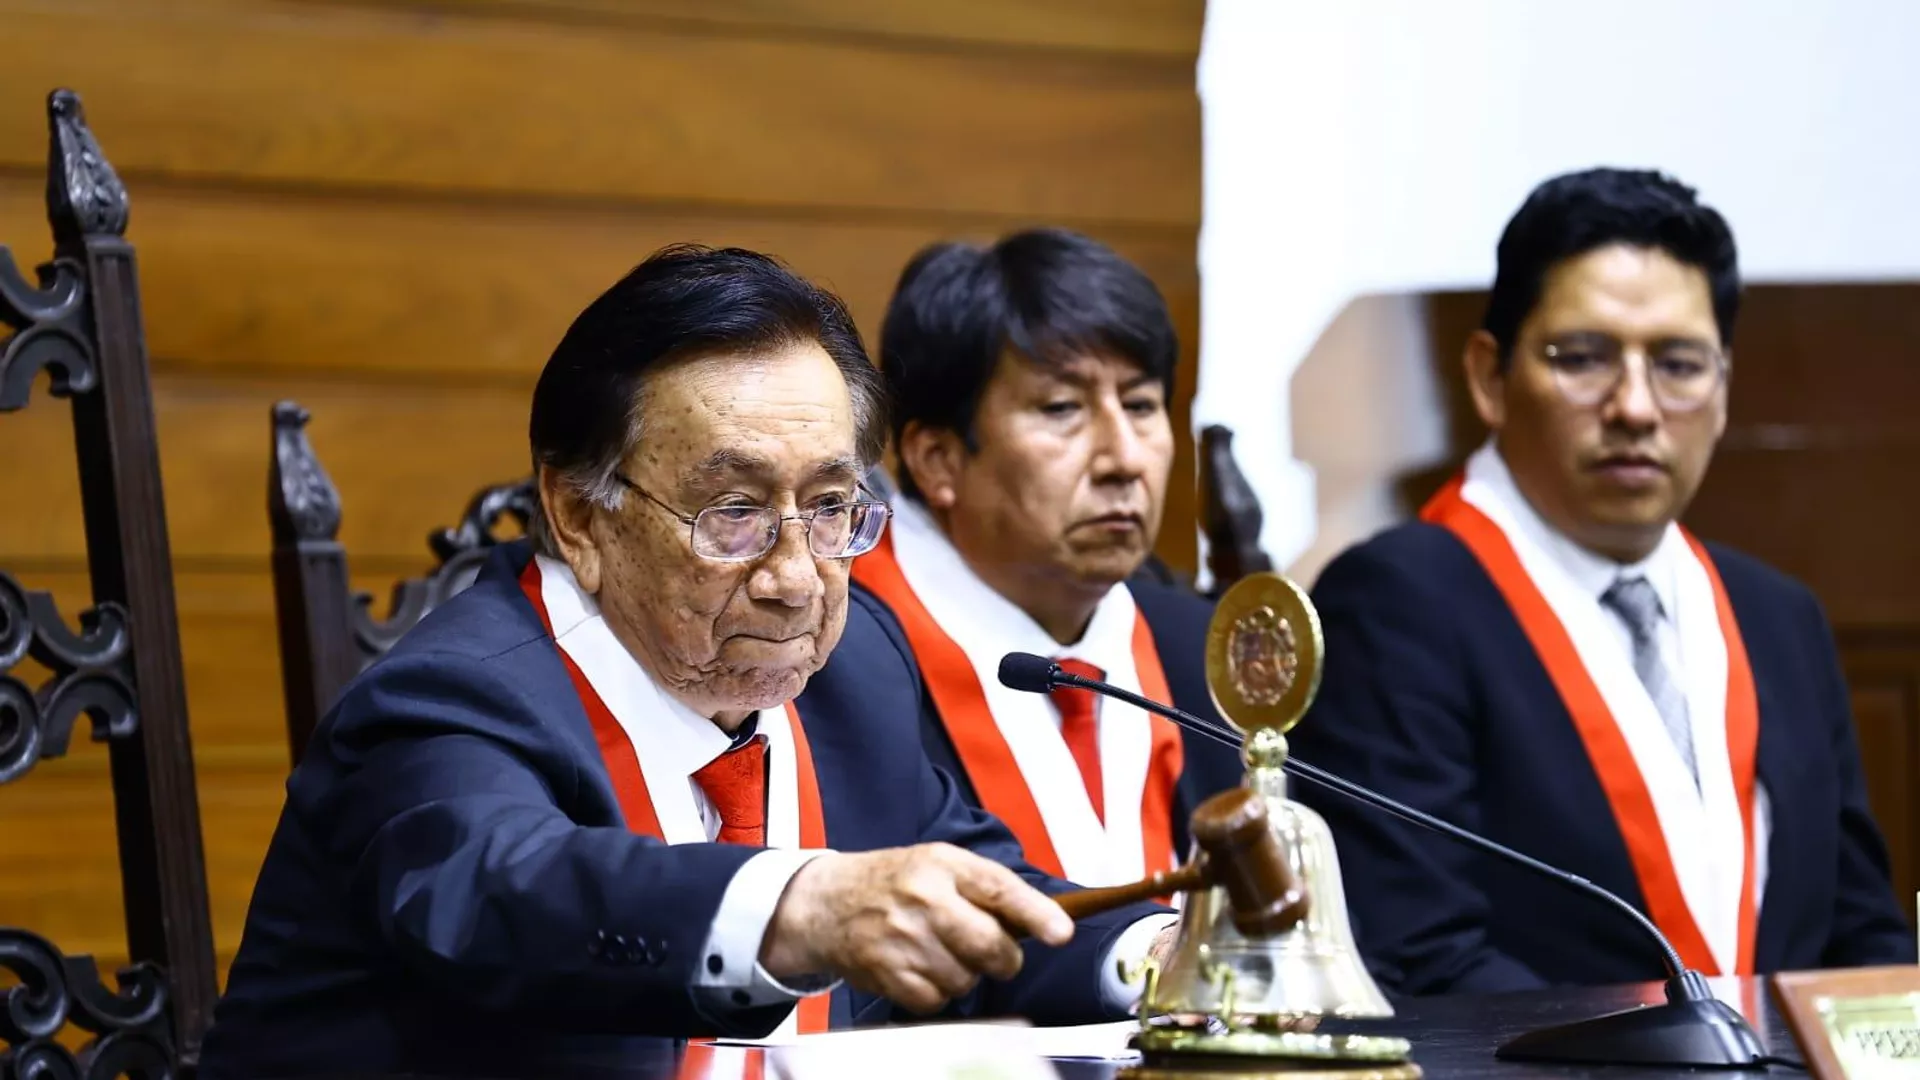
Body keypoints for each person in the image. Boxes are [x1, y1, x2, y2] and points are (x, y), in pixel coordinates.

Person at [198, 245, 1177, 1079]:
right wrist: (800, 906)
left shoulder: (853, 673)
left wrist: (1163, 959)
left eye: (833, 506)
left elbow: (979, 903)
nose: (797, 579)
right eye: (735, 513)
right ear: (581, 515)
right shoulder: (451, 702)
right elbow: (515, 891)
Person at [1289, 167, 1915, 995]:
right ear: (1488, 377)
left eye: (1679, 364)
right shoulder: (1397, 600)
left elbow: (1858, 926)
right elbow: (1421, 954)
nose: (1635, 405)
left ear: (1724, 389)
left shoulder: (1778, 615)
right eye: (1583, 357)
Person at [851, 228, 1242, 893]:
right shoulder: (836, 660)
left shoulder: (1197, 650)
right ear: (937, 459)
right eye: (1063, 408)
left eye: (1142, 405)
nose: (1124, 459)